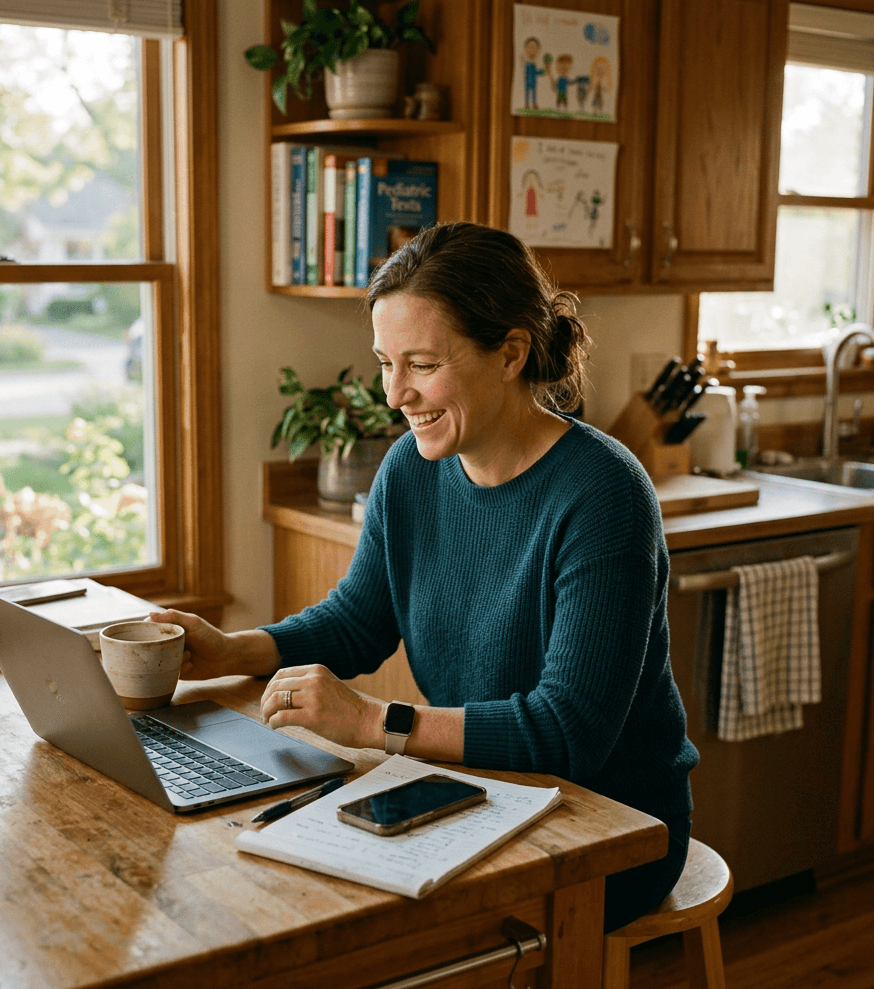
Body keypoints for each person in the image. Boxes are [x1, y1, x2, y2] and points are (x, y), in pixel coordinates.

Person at [152, 222, 699, 933]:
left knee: (376, 940)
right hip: (479, 792)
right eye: (385, 363)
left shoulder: (603, 495)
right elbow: (359, 620)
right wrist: (233, 650)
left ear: (510, 353)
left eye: (421, 364)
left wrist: (373, 723)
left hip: (611, 826)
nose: (395, 394)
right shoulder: (411, 469)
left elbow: (570, 732)